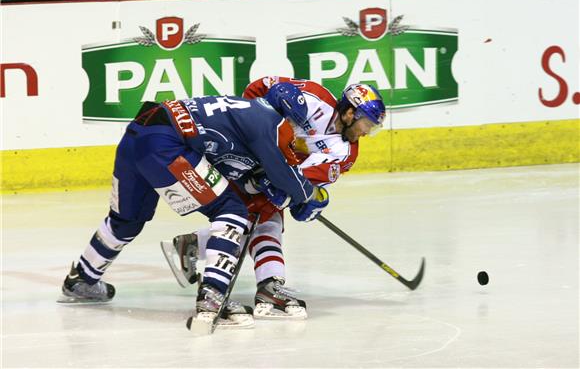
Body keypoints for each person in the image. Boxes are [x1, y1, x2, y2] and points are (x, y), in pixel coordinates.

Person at [58, 85, 329, 328]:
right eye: (296, 124)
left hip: (137, 135)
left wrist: (260, 182)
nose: (295, 132)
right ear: (287, 114)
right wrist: (310, 196)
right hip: (167, 143)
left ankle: (81, 279)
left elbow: (223, 163)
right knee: (233, 211)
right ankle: (213, 297)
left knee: (125, 221)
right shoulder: (272, 122)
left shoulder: (243, 112)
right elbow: (287, 176)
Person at [164, 77, 386, 319]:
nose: (366, 132)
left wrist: (302, 198)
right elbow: (259, 89)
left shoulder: (344, 153)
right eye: (367, 124)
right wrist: (252, 137)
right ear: (349, 113)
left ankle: (201, 247)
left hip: (276, 172)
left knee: (265, 218)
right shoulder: (315, 97)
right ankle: (263, 282)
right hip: (246, 153)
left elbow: (305, 180)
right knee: (255, 219)